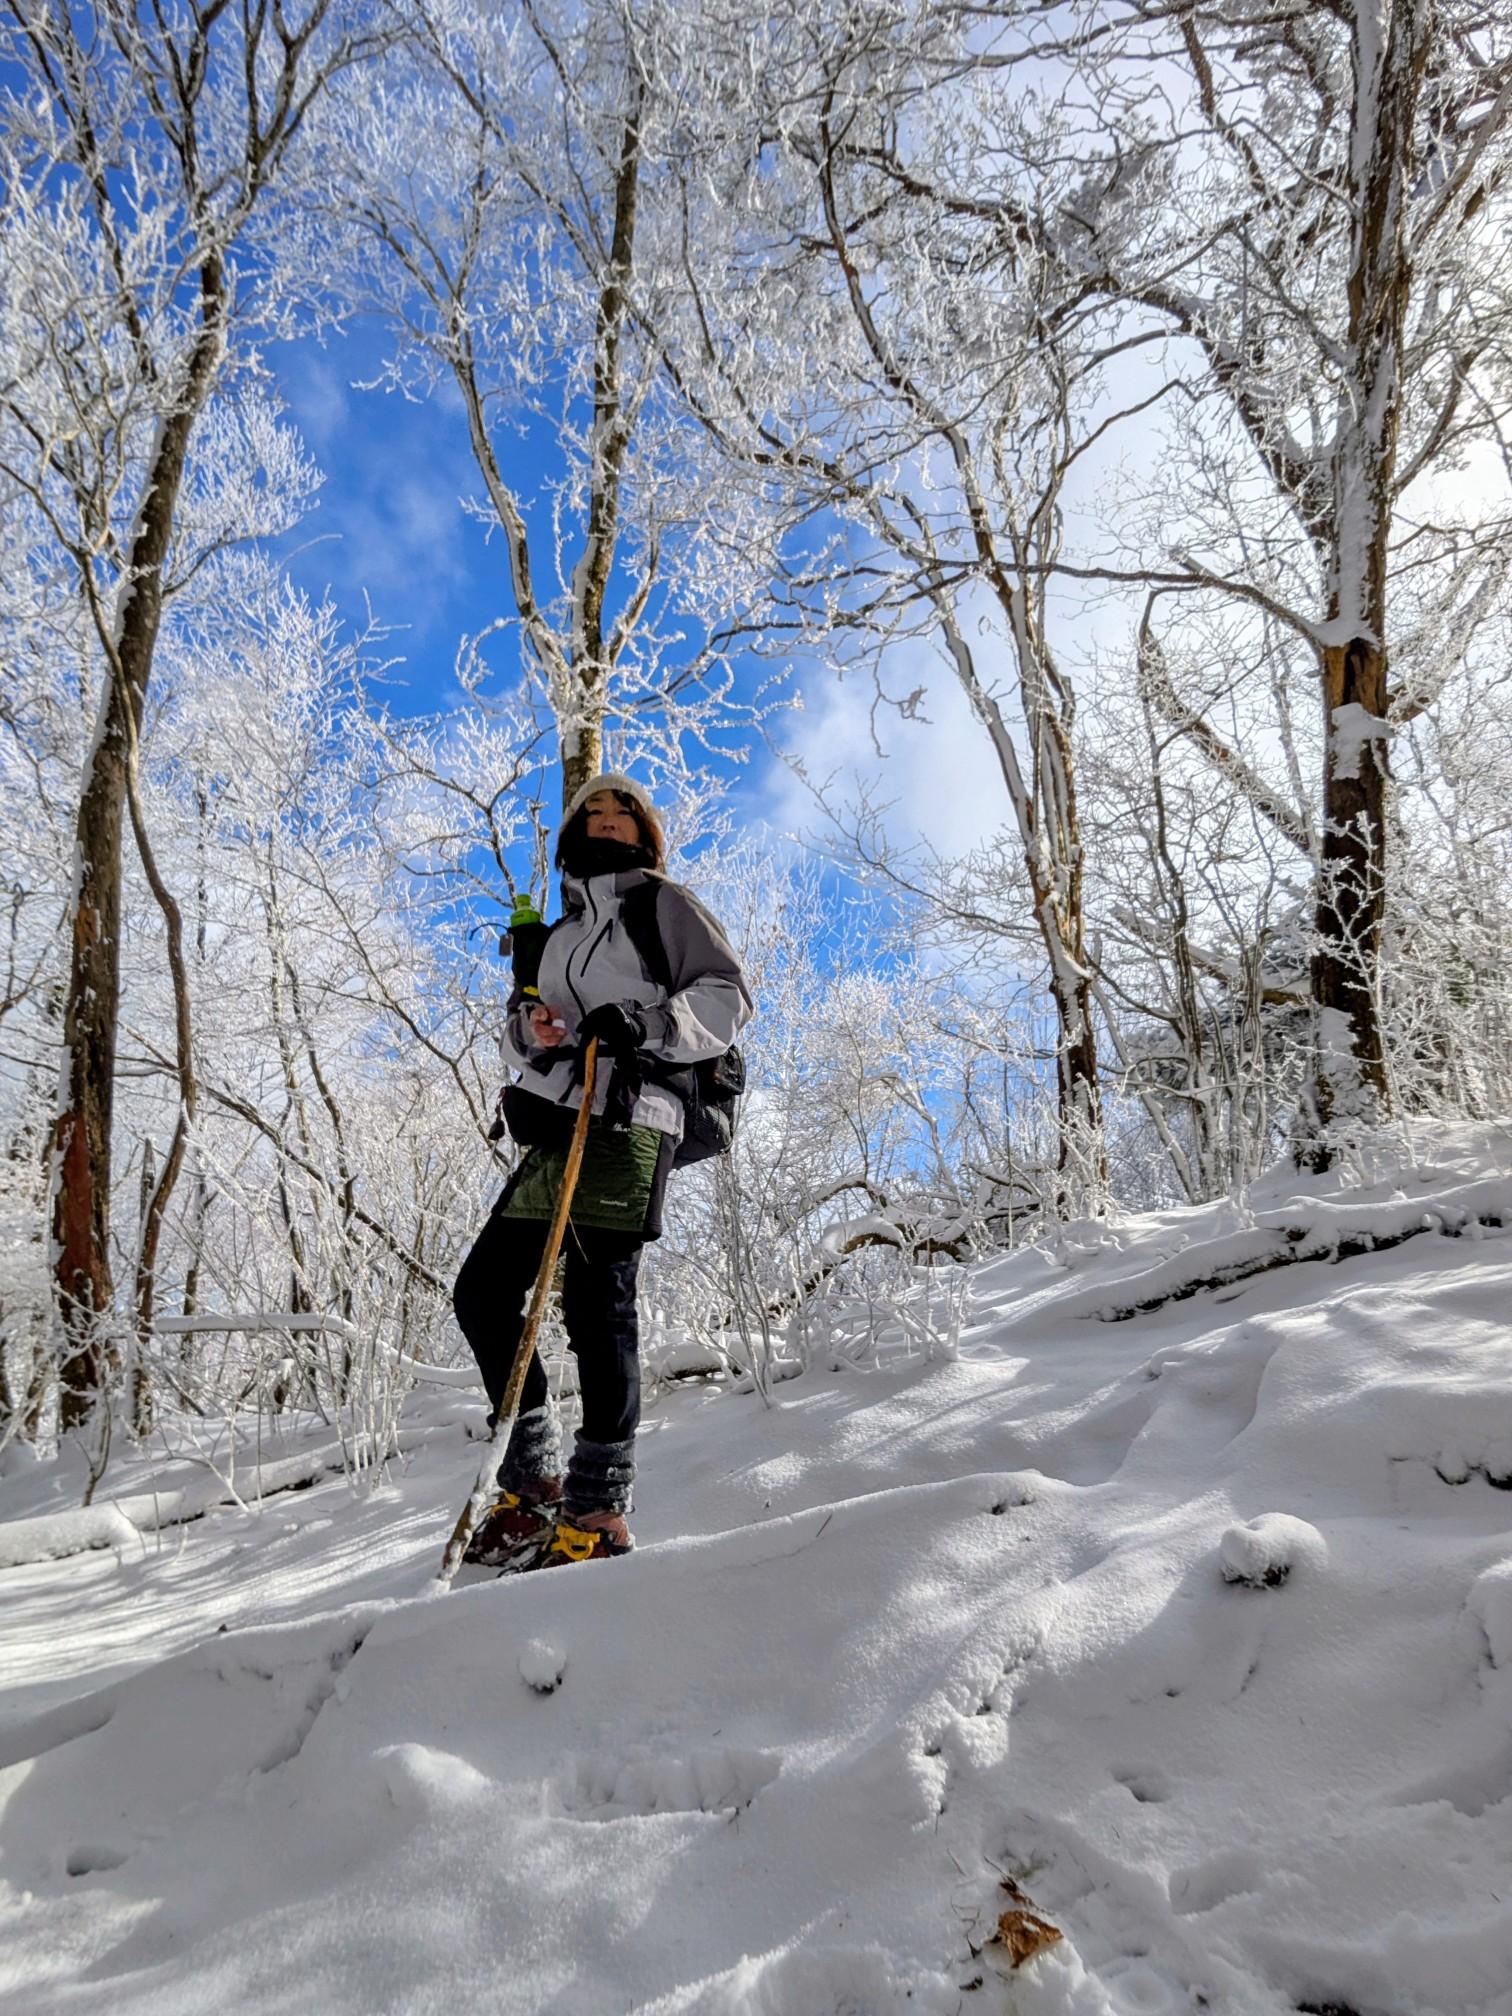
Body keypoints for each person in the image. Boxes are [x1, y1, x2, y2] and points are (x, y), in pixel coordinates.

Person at [452, 774, 753, 1569]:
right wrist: (533, 1027)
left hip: (631, 1118)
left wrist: (645, 1023)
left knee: (596, 1306)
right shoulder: (554, 936)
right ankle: (532, 1484)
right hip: (555, 1124)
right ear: (574, 830)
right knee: (481, 1291)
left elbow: (725, 998)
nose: (609, 819)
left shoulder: (666, 907)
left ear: (646, 833)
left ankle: (597, 1513)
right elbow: (520, 1035)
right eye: (595, 809)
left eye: (625, 811)